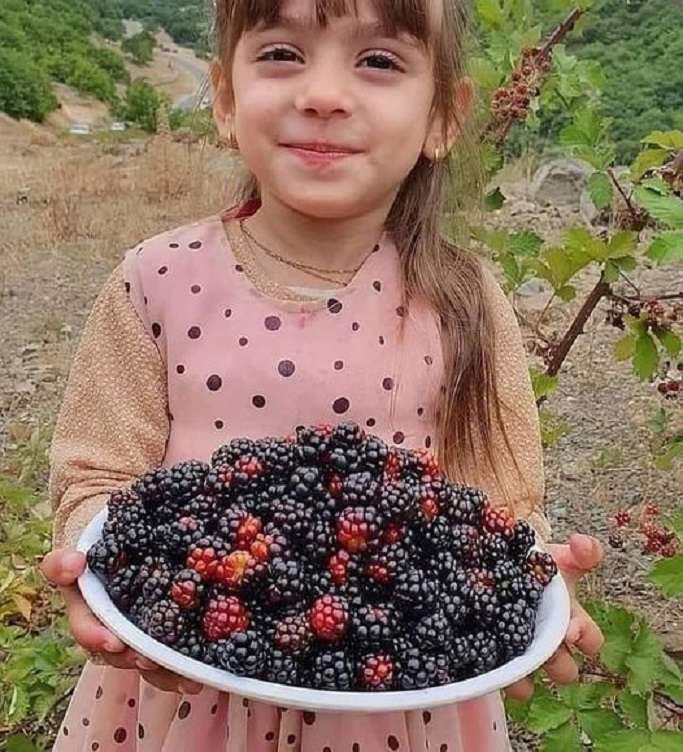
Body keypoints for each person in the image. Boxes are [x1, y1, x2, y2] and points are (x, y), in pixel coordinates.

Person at [40, 1, 605, 749]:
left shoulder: (463, 300)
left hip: (398, 697)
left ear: (442, 116)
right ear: (225, 98)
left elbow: (497, 511)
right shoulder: (157, 281)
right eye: (280, 53)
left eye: (378, 61)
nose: (323, 94)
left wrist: (532, 577)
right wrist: (104, 571)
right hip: (179, 690)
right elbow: (96, 478)